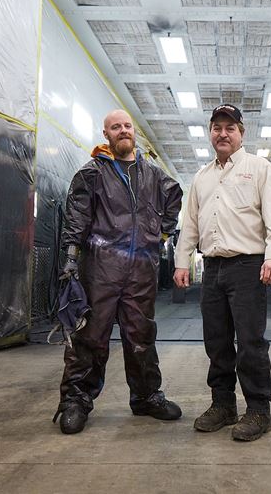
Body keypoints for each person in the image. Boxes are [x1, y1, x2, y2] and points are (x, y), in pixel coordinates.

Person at [52, 109, 184, 435]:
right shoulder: (91, 173)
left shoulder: (154, 175)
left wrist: (162, 235)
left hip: (141, 269)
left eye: (127, 126)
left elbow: (175, 198)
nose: (123, 130)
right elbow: (76, 219)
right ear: (106, 133)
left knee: (141, 335)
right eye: (116, 127)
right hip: (101, 268)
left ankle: (146, 396)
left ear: (133, 131)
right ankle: (75, 400)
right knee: (90, 337)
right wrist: (71, 258)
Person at [173, 104, 271, 442]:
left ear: (241, 133)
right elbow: (190, 222)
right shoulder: (203, 176)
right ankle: (223, 405)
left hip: (248, 267)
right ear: (210, 132)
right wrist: (182, 261)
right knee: (217, 342)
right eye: (217, 127)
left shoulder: (259, 168)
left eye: (230, 128)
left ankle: (258, 410)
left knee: (251, 342)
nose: (223, 133)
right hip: (213, 268)